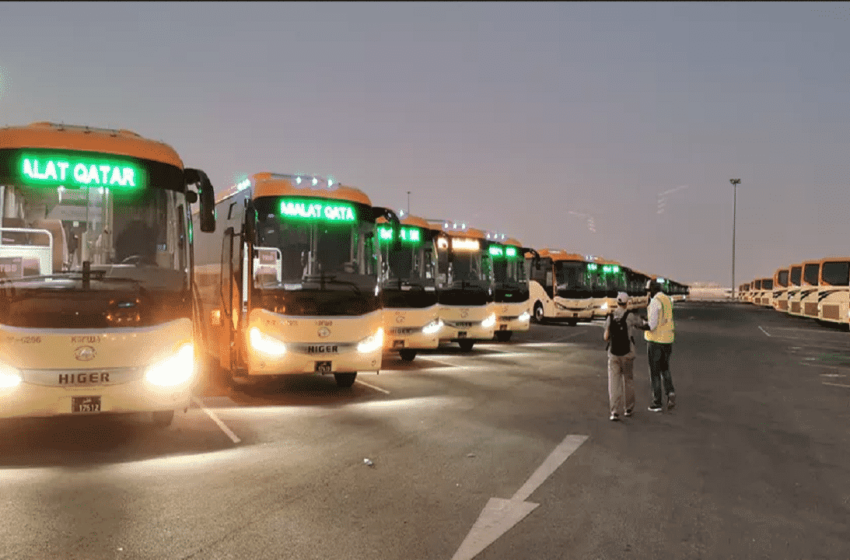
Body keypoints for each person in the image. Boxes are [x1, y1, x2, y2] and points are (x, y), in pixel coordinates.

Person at [603, 292, 643, 421]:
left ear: (617, 302)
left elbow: (605, 337)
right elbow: (641, 324)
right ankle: (628, 408)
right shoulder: (630, 316)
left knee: (614, 383)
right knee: (628, 380)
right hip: (627, 353)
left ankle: (614, 411)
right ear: (627, 303)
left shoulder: (610, 316)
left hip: (613, 354)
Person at [641, 279, 676, 412]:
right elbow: (664, 318)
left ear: (653, 290)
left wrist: (640, 325)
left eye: (649, 291)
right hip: (668, 340)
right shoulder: (667, 299)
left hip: (656, 341)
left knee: (655, 372)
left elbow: (652, 325)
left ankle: (657, 402)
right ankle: (670, 392)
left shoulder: (655, 301)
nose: (648, 294)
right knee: (665, 368)